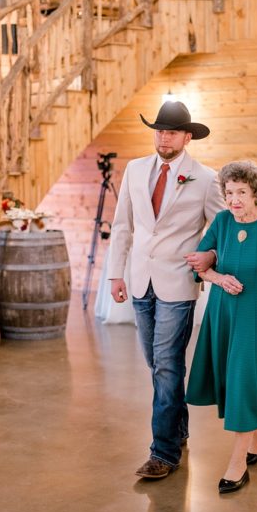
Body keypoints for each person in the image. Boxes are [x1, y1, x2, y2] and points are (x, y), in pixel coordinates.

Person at [108, 100, 224, 481]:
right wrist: (115, 274)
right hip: (140, 278)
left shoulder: (205, 178)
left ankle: (164, 452)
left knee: (168, 364)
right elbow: (122, 224)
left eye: (171, 131)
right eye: (158, 130)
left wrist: (208, 256)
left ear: (187, 137)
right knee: (157, 365)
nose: (163, 137)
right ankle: (179, 427)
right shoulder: (136, 169)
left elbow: (218, 230)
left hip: (178, 282)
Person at [184, 161, 257, 494]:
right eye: (229, 192)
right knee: (241, 382)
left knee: (244, 383)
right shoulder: (221, 222)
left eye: (241, 193)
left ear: (256, 193)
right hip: (224, 315)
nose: (234, 199)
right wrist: (218, 277)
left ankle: (236, 465)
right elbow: (198, 264)